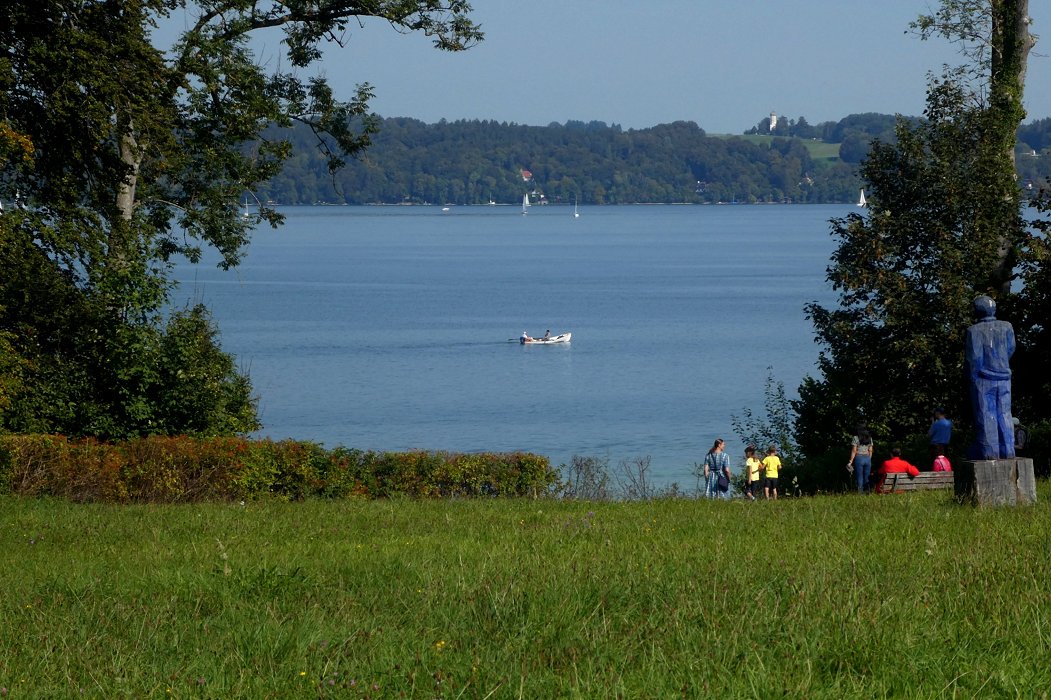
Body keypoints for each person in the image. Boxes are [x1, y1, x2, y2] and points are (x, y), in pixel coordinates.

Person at [965, 295, 1015, 459]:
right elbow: (1010, 349)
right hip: (1004, 376)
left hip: (983, 377)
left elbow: (974, 358)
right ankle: (1008, 451)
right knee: (1005, 414)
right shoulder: (1006, 326)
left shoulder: (974, 331)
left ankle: (990, 453)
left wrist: (973, 378)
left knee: (986, 415)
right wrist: (1000, 363)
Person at [848, 424, 874, 493]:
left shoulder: (855, 438)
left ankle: (860, 493)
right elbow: (870, 450)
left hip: (859, 458)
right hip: (867, 458)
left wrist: (850, 461)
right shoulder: (869, 438)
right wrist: (869, 458)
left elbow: (854, 451)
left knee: (859, 477)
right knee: (867, 477)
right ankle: (867, 492)